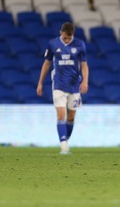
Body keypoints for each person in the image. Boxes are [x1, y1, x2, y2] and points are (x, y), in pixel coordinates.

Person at [36, 22, 89, 154]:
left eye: (69, 38)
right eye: (65, 37)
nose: (67, 40)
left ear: (73, 34)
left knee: (71, 117)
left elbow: (84, 65)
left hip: (74, 86)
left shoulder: (80, 44)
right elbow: (47, 64)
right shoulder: (53, 44)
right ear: (61, 32)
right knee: (61, 115)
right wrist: (40, 83)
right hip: (58, 85)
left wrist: (85, 81)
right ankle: (63, 145)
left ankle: (65, 139)